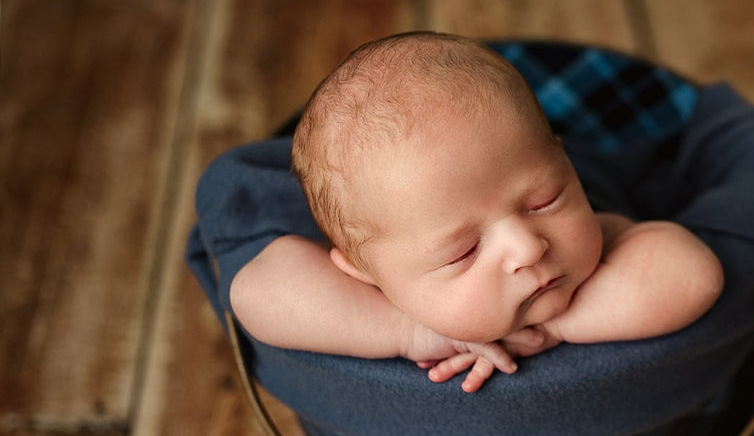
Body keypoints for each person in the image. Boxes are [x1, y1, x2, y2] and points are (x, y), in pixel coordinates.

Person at [229, 32, 725, 392]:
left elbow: (692, 274)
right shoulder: (375, 292)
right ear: (368, 274)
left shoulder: (600, 239)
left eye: (544, 200)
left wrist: (552, 327)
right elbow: (255, 292)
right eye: (464, 252)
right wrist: (411, 331)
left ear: (563, 160)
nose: (528, 247)